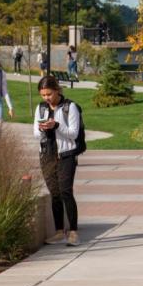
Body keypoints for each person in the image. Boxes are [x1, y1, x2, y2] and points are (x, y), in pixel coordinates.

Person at [34, 74, 84, 246]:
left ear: (57, 90)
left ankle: (73, 233)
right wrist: (43, 128)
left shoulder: (70, 107)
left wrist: (56, 125)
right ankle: (58, 231)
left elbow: (73, 133)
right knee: (54, 194)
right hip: (47, 155)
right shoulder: (41, 108)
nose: (46, 98)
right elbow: (35, 133)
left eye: (49, 94)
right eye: (43, 95)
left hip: (66, 155)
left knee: (65, 192)